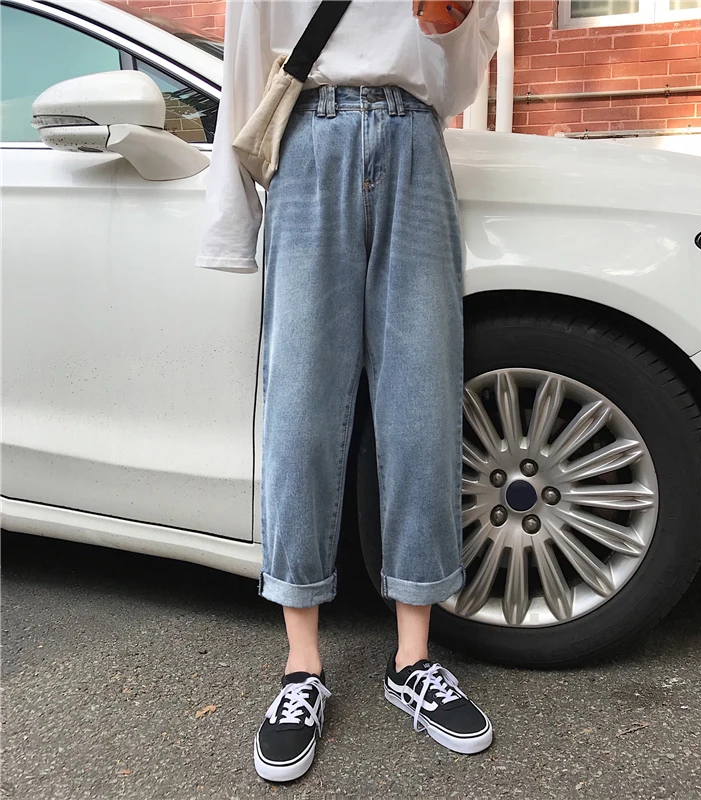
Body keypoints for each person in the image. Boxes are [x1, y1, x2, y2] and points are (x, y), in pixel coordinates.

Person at [195, 0, 499, 783]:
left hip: (418, 144)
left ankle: (412, 658)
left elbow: (458, 83)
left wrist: (452, 23)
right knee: (300, 413)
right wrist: (230, 225)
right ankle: (301, 667)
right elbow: (245, 64)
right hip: (309, 140)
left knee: (423, 407)